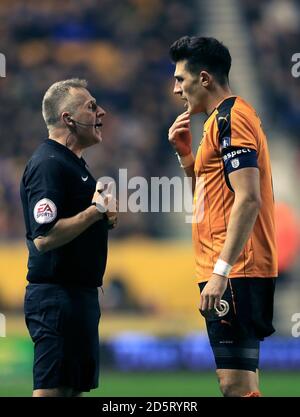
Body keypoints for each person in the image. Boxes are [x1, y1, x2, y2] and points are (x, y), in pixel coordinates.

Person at [168, 36, 277, 397]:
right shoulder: (218, 122)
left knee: (234, 385)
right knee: (241, 383)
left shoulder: (232, 118)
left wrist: (221, 272)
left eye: (180, 80)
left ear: (203, 79)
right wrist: (186, 159)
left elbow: (248, 199)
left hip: (236, 270)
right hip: (231, 269)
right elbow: (209, 199)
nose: (175, 90)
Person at [20, 78, 117, 397]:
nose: (100, 111)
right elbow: (44, 238)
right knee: (51, 392)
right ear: (67, 118)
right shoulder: (49, 164)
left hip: (79, 297)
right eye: (91, 106)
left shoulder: (74, 164)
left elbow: (77, 222)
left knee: (71, 390)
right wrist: (95, 210)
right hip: (57, 298)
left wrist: (103, 217)